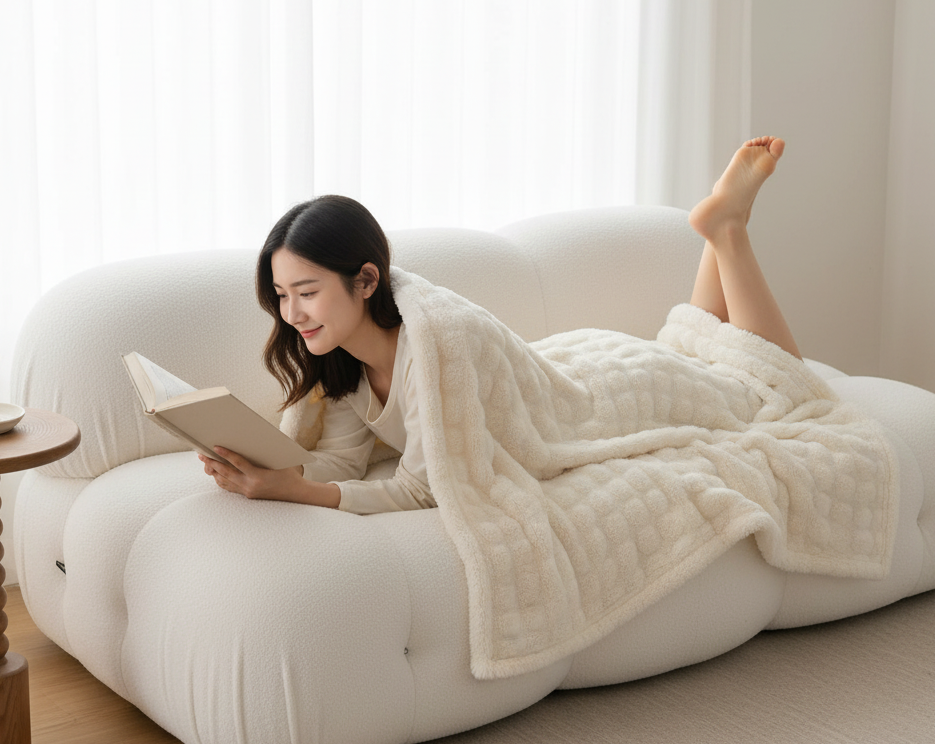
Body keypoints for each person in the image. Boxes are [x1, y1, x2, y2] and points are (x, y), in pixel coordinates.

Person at [199, 136, 800, 509]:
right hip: (573, 364)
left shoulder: (430, 347)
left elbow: (426, 489)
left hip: (601, 403)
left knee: (777, 388)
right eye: (281, 295)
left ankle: (728, 233)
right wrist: (269, 466)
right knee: (697, 359)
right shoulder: (346, 363)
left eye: (307, 292)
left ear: (366, 280)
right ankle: (718, 233)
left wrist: (298, 492)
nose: (292, 314)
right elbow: (345, 463)